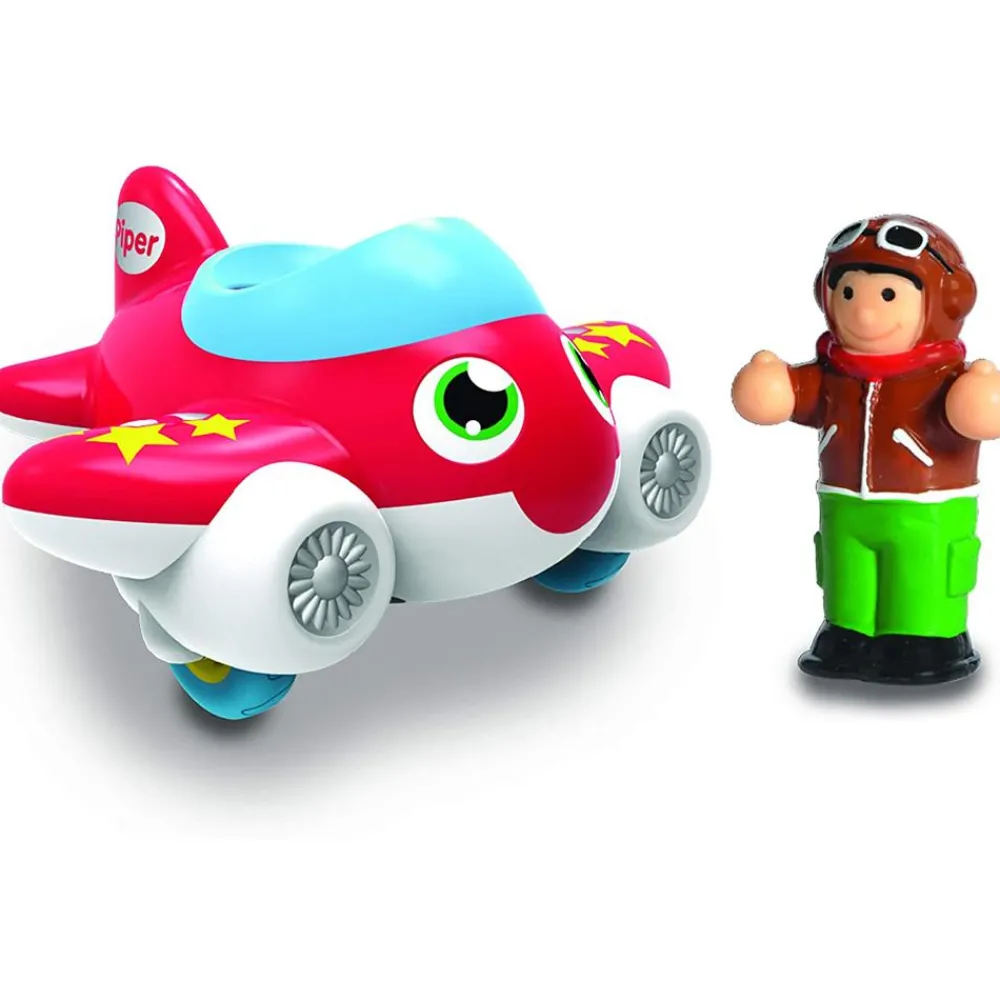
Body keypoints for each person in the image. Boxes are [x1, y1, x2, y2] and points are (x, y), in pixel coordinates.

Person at [732, 216, 1000, 683]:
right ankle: (848, 631)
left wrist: (979, 397)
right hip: (844, 504)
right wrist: (771, 384)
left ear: (944, 300)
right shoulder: (832, 374)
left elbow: (981, 415)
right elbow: (791, 396)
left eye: (888, 295)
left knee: (923, 573)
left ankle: (925, 637)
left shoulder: (944, 379)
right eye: (849, 293)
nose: (865, 315)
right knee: (846, 570)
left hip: (927, 509)